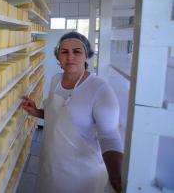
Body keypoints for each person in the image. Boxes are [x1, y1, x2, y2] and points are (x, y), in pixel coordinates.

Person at [21, 32, 123, 193]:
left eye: (76, 51)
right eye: (64, 52)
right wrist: (37, 112)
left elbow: (109, 136)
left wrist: (116, 175)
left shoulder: (99, 89)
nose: (70, 57)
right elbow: (56, 117)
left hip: (81, 176)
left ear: (86, 55)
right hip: (51, 168)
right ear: (58, 57)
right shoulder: (56, 80)